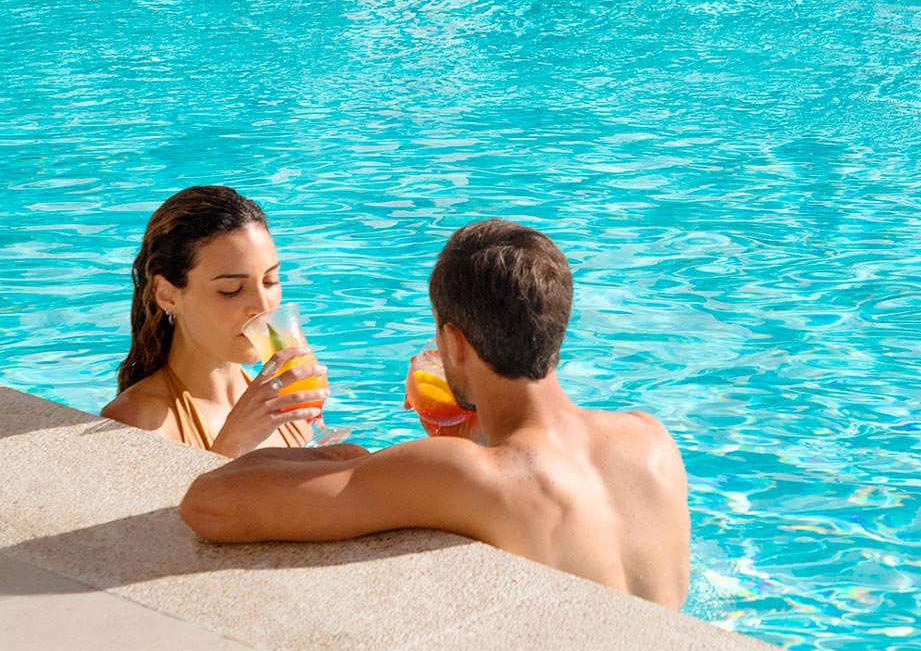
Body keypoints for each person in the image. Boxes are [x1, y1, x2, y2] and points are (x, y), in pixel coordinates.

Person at [180, 219, 690, 607]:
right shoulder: (650, 440)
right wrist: (472, 434)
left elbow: (209, 504)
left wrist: (351, 457)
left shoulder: (463, 473)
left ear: (454, 342)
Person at [101, 185, 327, 457]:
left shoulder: (282, 403)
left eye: (270, 281)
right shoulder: (138, 422)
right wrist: (232, 445)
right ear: (167, 295)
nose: (262, 306)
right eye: (232, 290)